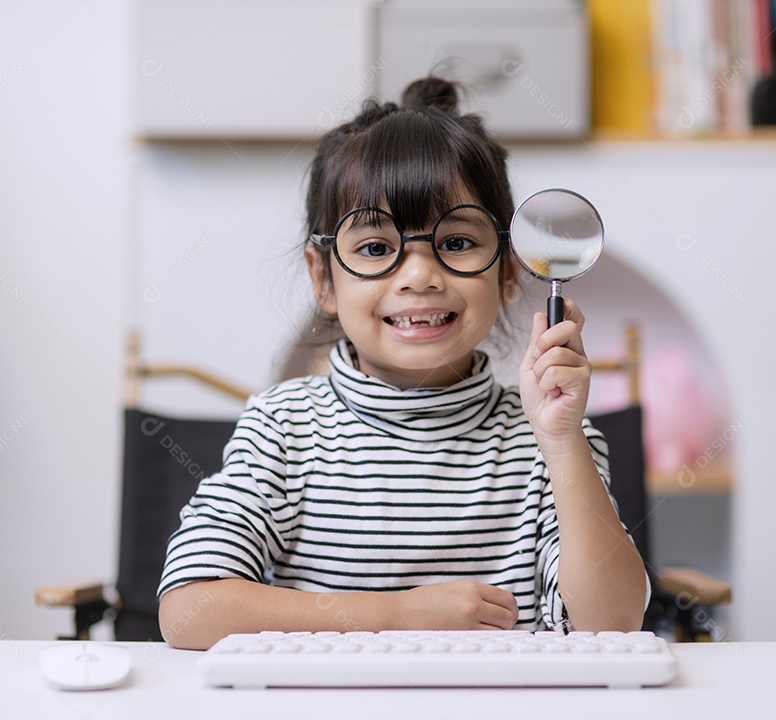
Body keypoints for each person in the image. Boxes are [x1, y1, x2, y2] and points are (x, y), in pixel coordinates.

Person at [157, 77, 649, 650]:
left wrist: (562, 441)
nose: (419, 276)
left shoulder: (554, 440)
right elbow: (189, 609)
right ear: (324, 280)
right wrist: (396, 614)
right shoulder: (282, 427)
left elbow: (612, 629)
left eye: (458, 242)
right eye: (375, 248)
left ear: (509, 271)